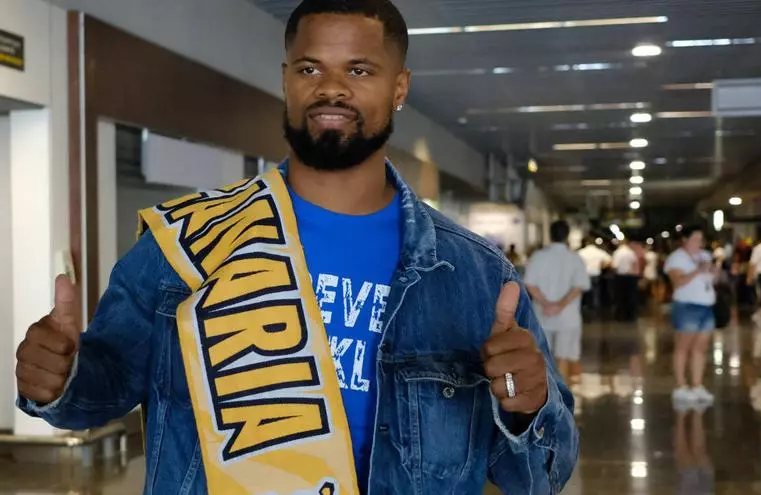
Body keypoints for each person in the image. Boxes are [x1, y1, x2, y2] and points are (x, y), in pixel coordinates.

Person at [14, 2, 577, 493]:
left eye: (359, 69)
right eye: (311, 69)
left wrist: (528, 407)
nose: (331, 88)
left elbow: (541, 475)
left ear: (400, 88)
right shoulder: (187, 246)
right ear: (287, 80)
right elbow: (105, 387)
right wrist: (62, 378)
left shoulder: (475, 277)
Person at [525, 221, 592, 387]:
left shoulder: (538, 256)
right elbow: (579, 286)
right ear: (567, 236)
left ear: (550, 234)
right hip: (568, 317)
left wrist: (546, 304)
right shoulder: (575, 258)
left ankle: (545, 393)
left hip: (542, 315)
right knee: (563, 356)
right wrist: (560, 306)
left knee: (542, 356)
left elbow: (530, 284)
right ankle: (561, 392)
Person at [664, 225, 717, 405]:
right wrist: (698, 270)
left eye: (701, 239)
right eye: (695, 239)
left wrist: (714, 272)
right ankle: (680, 385)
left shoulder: (705, 256)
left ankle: (697, 384)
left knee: (700, 348)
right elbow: (678, 282)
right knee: (683, 346)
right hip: (687, 306)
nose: (699, 243)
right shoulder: (676, 258)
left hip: (707, 305)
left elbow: (711, 280)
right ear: (685, 240)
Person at [578, 237, 612, 318]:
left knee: (583, 292)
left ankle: (584, 307)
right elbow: (609, 261)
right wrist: (601, 266)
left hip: (584, 275)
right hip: (595, 274)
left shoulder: (581, 252)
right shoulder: (599, 252)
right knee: (595, 292)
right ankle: (595, 308)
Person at [612, 238, 640, 322]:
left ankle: (621, 315)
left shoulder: (617, 252)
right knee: (631, 296)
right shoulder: (631, 252)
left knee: (620, 297)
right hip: (631, 276)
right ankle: (631, 315)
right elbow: (634, 263)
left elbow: (615, 266)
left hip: (620, 276)